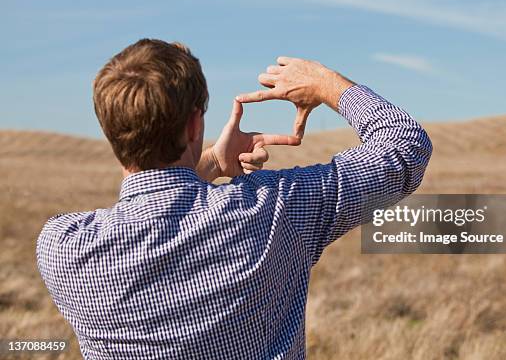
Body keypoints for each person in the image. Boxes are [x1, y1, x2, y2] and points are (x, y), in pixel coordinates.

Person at [36, 38, 432, 359]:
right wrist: (327, 84)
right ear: (195, 125)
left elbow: (155, 214)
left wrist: (208, 162)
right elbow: (404, 149)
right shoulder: (275, 209)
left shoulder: (63, 248)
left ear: (109, 131)